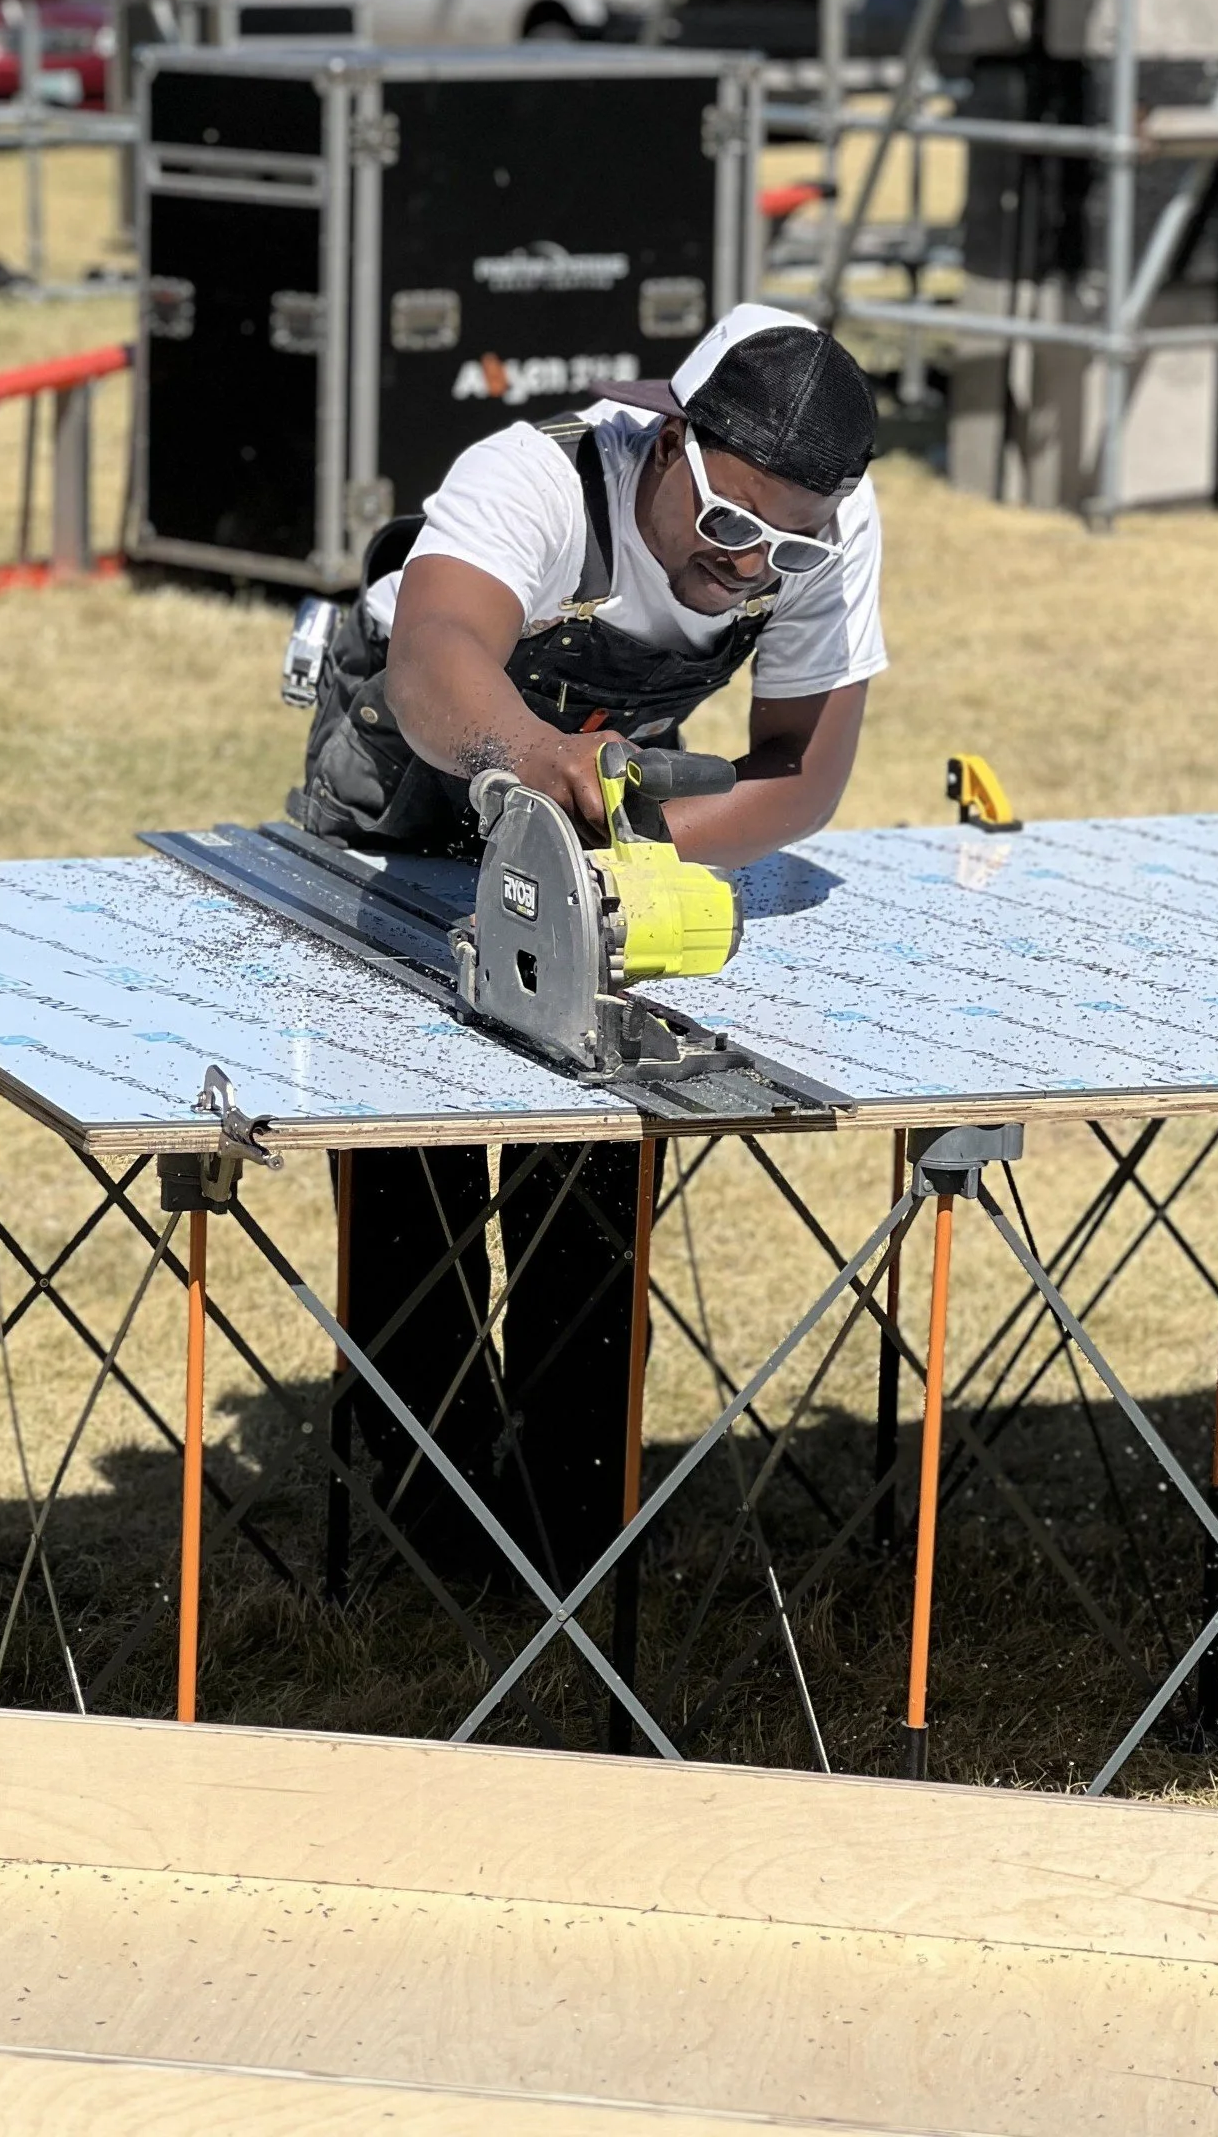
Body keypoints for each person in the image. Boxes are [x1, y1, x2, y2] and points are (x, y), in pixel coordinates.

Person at [289, 304, 887, 1589]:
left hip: (602, 826)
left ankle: (572, 1513)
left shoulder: (824, 522)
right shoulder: (537, 477)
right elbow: (438, 658)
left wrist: (616, 838)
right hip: (409, 798)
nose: (752, 564)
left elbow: (801, 773)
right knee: (410, 1151)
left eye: (786, 547)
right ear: (668, 442)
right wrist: (533, 762)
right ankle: (430, 1512)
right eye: (727, 523)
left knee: (596, 1129)